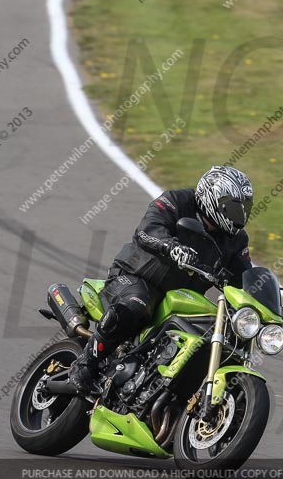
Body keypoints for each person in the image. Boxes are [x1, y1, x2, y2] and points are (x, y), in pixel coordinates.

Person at [69, 165, 254, 396]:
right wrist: (170, 246)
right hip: (137, 277)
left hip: (181, 296)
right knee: (134, 307)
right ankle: (85, 365)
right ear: (214, 199)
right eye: (236, 209)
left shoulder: (235, 239)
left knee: (213, 334)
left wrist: (263, 300)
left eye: (245, 209)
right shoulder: (176, 200)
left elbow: (245, 275)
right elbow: (148, 229)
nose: (241, 216)